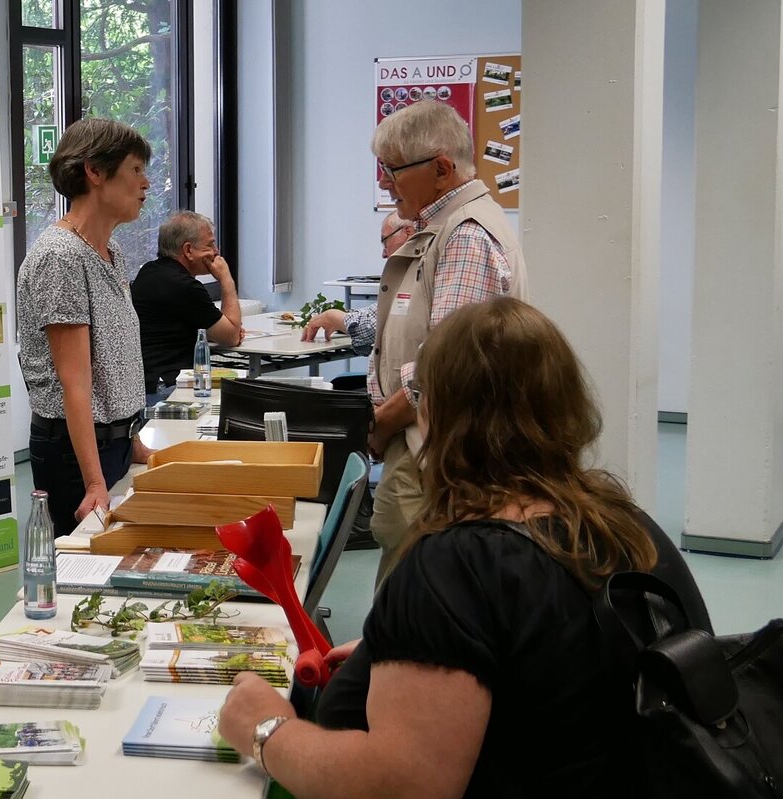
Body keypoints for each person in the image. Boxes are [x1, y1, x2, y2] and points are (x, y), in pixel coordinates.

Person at [217, 297, 713, 799]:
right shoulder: (627, 528)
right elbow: (561, 667)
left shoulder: (454, 567)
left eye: (418, 393)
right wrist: (419, 651)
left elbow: (403, 787)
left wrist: (267, 730)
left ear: (439, 411)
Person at [332, 100, 527, 585]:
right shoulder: (443, 229)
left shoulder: (464, 236)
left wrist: (377, 423)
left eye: (392, 169)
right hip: (424, 445)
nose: (383, 181)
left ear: (441, 169)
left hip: (436, 454)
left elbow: (442, 368)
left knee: (415, 596)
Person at [15, 118, 152, 533]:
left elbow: (117, 357)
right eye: (136, 169)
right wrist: (94, 481)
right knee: (80, 575)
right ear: (94, 171)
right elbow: (75, 380)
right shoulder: (61, 257)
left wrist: (132, 440)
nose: (146, 183)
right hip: (76, 456)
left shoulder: (110, 252)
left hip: (111, 444)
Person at [132, 211, 245, 408]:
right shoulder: (184, 286)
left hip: (146, 385)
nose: (216, 252)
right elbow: (232, 336)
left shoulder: (149, 272)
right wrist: (226, 279)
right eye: (209, 245)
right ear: (188, 250)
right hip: (169, 390)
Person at [300, 211, 415, 359]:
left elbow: (374, 326)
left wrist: (332, 317)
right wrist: (341, 319)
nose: (384, 254)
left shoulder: (419, 269)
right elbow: (380, 311)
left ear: (408, 232)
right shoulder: (410, 270)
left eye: (385, 241)